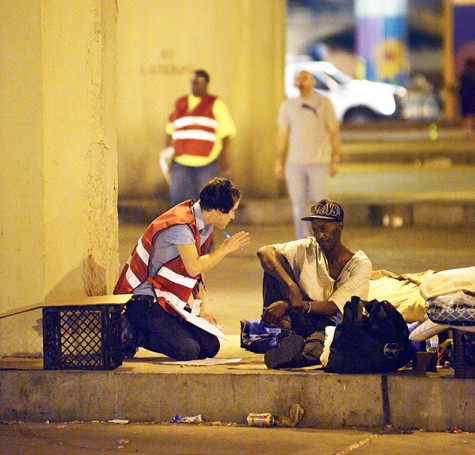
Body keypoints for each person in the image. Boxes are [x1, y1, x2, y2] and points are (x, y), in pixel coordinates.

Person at [114, 177, 250, 360]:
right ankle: (132, 332)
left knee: (210, 346)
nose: (233, 216)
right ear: (218, 211)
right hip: (145, 300)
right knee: (188, 350)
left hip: (170, 300)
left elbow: (197, 274)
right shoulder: (181, 225)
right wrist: (224, 250)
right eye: (232, 211)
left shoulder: (204, 224)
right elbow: (194, 266)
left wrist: (200, 311)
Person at [257, 199, 372, 369]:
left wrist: (290, 305)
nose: (319, 235)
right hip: (298, 317)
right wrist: (291, 286)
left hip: (330, 323)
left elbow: (334, 306)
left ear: (340, 225)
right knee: (275, 262)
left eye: (324, 229)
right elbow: (264, 252)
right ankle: (286, 335)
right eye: (315, 229)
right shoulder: (308, 247)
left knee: (326, 345)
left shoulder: (360, 263)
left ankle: (295, 355)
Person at [275, 70, 340, 239]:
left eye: (304, 78)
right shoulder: (288, 105)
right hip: (295, 163)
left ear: (312, 82)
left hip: (319, 161)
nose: (300, 81)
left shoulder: (324, 103)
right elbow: (282, 134)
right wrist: (278, 162)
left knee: (320, 204)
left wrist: (335, 158)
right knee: (298, 205)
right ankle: (302, 239)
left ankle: (322, 238)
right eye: (297, 78)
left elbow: (334, 132)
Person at [165, 69, 237, 206]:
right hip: (180, 162)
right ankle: (182, 227)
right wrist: (167, 154)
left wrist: (223, 156)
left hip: (206, 163)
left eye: (199, 81)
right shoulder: (180, 103)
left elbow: (226, 133)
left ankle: (202, 228)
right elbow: (169, 130)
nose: (195, 83)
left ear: (207, 84)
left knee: (206, 202)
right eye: (193, 80)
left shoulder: (215, 104)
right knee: (178, 200)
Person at [459, 57, 475, 136]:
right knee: (470, 115)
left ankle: (466, 130)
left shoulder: (463, 74)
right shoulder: (471, 74)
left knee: (466, 115)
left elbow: (460, 88)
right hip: (471, 98)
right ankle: (468, 130)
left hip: (464, 98)